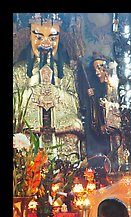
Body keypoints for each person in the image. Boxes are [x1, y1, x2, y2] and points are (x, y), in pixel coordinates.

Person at [13, 13, 85, 163]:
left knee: (72, 134)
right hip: (30, 130)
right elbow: (14, 102)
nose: (45, 43)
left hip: (61, 131)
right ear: (29, 37)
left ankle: (67, 172)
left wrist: (57, 94)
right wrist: (34, 92)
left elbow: (75, 103)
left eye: (52, 38)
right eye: (38, 37)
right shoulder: (18, 71)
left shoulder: (66, 72)